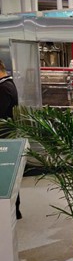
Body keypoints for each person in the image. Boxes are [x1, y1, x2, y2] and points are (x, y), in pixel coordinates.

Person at [0, 59, 20, 219]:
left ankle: (13, 209)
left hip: (4, 136)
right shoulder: (9, 85)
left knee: (7, 174)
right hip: (7, 134)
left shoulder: (4, 88)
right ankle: (15, 209)